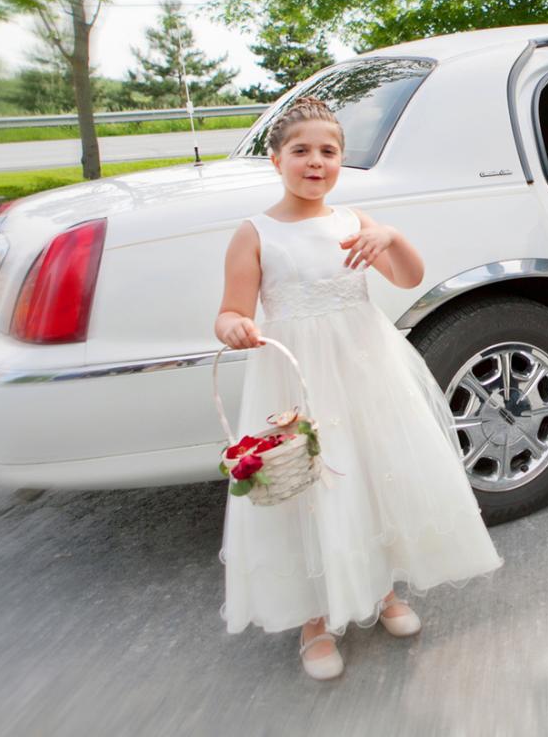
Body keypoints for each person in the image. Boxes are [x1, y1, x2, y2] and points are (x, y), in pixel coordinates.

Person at [214, 96, 501, 681]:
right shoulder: (255, 234)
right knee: (310, 486)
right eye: (301, 151)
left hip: (365, 367)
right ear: (276, 160)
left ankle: (381, 592)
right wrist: (236, 327)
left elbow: (410, 277)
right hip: (295, 379)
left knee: (374, 473)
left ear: (341, 161)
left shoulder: (356, 223)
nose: (315, 162)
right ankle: (314, 619)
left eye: (329, 151)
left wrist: (391, 236)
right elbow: (229, 311)